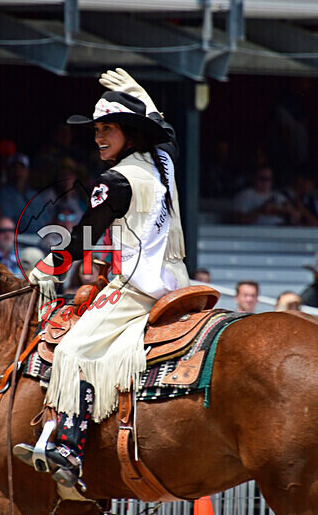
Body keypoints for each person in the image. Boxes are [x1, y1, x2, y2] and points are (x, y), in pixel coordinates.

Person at [14, 68, 190, 487]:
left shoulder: (115, 180)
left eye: (107, 128)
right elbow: (167, 135)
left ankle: (69, 448)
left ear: (131, 133)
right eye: (96, 130)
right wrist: (145, 99)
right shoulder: (162, 165)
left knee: (73, 349)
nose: (98, 137)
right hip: (178, 281)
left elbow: (84, 237)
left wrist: (47, 269)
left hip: (138, 288)